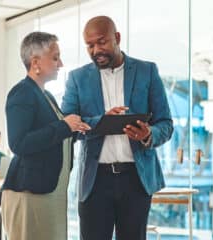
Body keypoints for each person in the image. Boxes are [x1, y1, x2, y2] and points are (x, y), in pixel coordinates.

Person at [61, 16, 173, 240]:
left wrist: (148, 134)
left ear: (117, 38)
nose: (95, 50)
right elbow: (67, 124)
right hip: (95, 181)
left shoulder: (147, 71)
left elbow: (166, 124)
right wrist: (100, 122)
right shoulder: (77, 78)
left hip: (136, 179)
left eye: (101, 42)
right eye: (90, 45)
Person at [1, 31, 90, 240]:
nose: (60, 64)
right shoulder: (22, 93)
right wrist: (64, 127)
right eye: (55, 57)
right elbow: (19, 143)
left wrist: (85, 127)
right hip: (29, 194)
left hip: (49, 192)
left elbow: (56, 136)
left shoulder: (46, 95)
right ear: (35, 62)